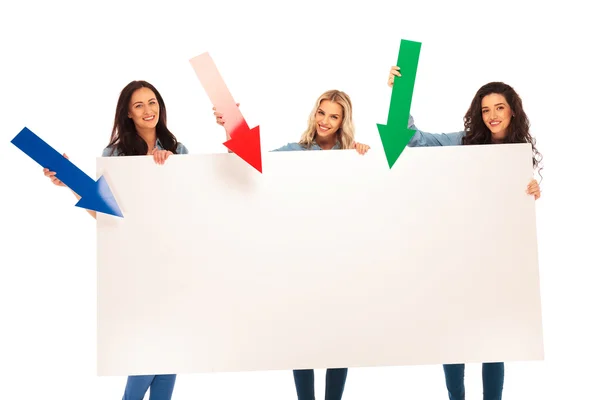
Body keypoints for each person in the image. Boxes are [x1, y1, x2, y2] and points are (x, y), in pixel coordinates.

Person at [388, 66, 542, 400]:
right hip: (457, 251)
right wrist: (399, 95)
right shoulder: (462, 142)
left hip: (497, 259)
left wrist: (533, 187)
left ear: (512, 110)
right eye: (485, 110)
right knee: (453, 331)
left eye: (499, 107)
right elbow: (412, 139)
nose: (492, 115)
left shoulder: (519, 153)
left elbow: (514, 208)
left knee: (493, 339)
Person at [214, 89, 369, 400]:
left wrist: (365, 157)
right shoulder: (295, 151)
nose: (325, 121)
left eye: (333, 116)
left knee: (338, 339)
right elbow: (251, 160)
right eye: (321, 113)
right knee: (303, 337)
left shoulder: (353, 155)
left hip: (341, 260)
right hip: (301, 259)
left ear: (343, 122)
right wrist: (228, 124)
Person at [43, 80, 189, 400]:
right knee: (149, 348)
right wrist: (67, 179)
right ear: (128, 113)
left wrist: (170, 171)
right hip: (135, 262)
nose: (148, 110)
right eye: (139, 106)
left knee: (171, 349)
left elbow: (189, 208)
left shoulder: (179, 151)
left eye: (152, 102)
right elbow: (104, 214)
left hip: (174, 261)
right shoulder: (115, 155)